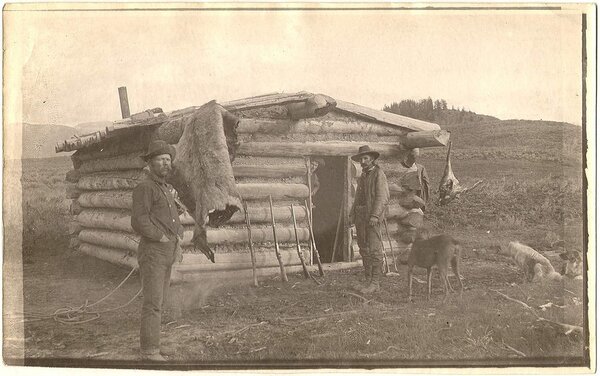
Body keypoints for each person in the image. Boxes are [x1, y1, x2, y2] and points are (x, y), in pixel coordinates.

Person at [131, 140, 184, 362]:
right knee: (152, 303)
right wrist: (160, 236)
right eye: (160, 159)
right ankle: (149, 351)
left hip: (167, 252)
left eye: (168, 160)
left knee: (159, 302)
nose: (165, 163)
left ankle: (155, 345)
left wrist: (176, 241)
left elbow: (169, 219)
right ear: (151, 163)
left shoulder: (164, 189)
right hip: (153, 253)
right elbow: (139, 221)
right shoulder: (145, 187)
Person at [349, 145, 390, 294]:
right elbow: (357, 199)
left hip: (372, 217)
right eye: (361, 159)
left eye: (365, 158)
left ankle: (375, 282)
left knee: (374, 249)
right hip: (361, 216)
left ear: (372, 159)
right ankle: (368, 279)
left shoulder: (379, 174)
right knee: (363, 248)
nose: (363, 161)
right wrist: (352, 215)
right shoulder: (363, 176)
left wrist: (375, 215)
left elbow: (382, 196)